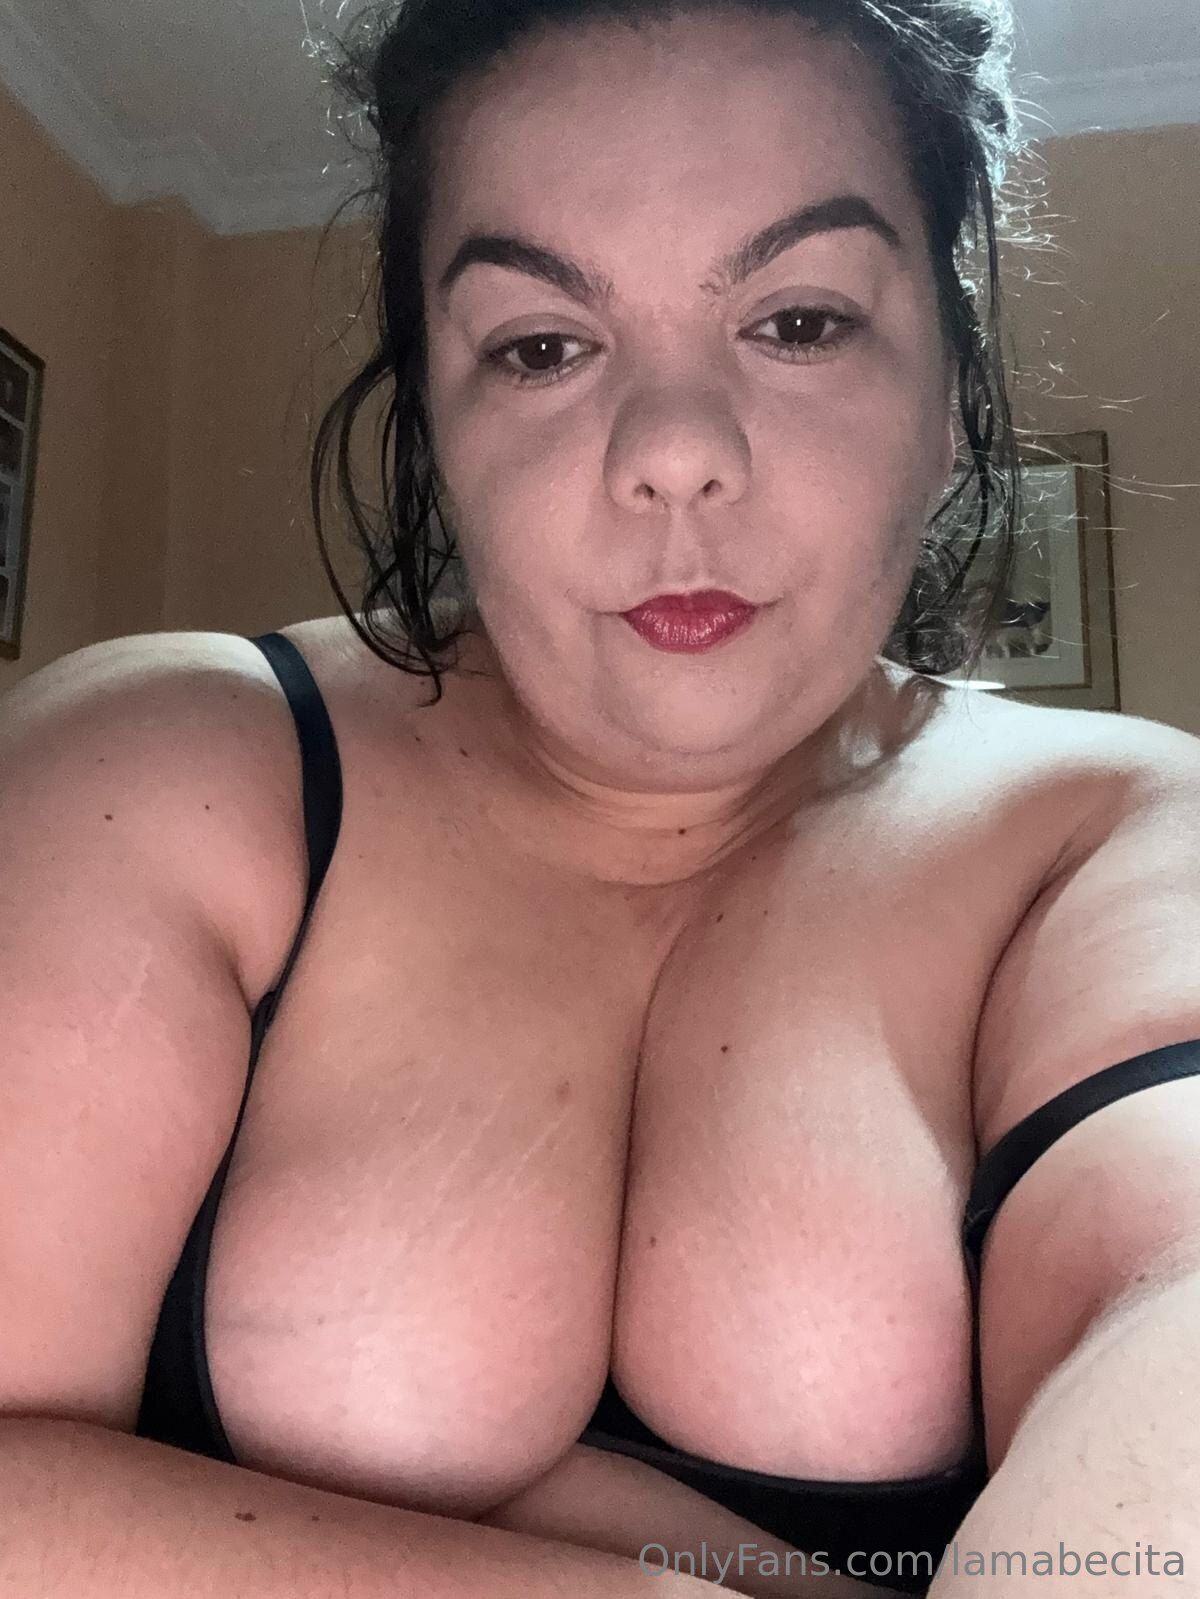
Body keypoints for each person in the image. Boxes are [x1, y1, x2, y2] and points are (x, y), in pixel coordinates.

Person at [4, 3, 1199, 1597]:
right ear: (438, 424)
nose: (675, 452)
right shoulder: (162, 764)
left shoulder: (1118, 837)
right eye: (542, 346)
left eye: (799, 322)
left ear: (946, 397)